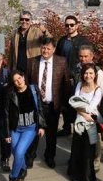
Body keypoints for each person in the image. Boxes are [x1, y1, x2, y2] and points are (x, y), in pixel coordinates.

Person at [25, 37, 70, 169]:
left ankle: (50, 156)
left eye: (48, 48)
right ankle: (30, 156)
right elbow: (27, 83)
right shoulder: (32, 62)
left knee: (51, 134)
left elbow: (65, 84)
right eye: (43, 48)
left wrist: (63, 104)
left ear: (54, 49)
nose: (45, 50)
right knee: (33, 133)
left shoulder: (61, 62)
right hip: (35, 105)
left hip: (52, 105)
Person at [4, 70, 46, 181]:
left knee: (19, 152)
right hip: (15, 128)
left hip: (30, 128)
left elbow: (40, 108)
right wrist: (7, 134)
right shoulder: (11, 93)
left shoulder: (33, 89)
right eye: (15, 81)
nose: (18, 82)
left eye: (20, 78)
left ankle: (12, 177)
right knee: (16, 151)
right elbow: (6, 114)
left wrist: (41, 126)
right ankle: (23, 168)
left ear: (23, 77)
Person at [67, 63, 103, 181]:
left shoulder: (98, 90)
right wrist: (82, 112)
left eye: (91, 73)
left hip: (90, 125)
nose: (88, 76)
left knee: (88, 153)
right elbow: (73, 102)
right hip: (79, 122)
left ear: (95, 75)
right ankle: (75, 175)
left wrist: (82, 110)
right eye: (86, 73)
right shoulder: (79, 85)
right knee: (77, 149)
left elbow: (91, 107)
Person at [56, 15, 91, 137]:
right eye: (67, 25)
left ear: (77, 26)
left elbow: (87, 58)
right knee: (65, 103)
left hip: (77, 77)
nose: (69, 27)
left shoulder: (83, 41)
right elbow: (57, 57)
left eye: (72, 25)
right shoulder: (61, 41)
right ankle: (66, 127)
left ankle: (78, 128)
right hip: (63, 77)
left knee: (76, 102)